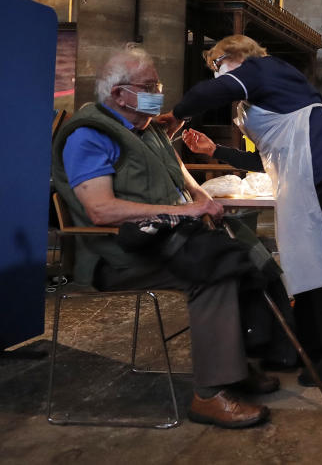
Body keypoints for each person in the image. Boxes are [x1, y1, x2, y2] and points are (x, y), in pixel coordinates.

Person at [50, 44, 275, 429]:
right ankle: (211, 393)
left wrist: (203, 201)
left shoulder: (147, 130)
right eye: (148, 84)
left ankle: (236, 367)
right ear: (118, 93)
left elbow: (182, 177)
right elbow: (100, 209)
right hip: (120, 255)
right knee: (214, 271)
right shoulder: (89, 136)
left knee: (245, 255)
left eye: (158, 82)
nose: (158, 90)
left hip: (167, 240)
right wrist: (186, 212)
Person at [166, 35, 322, 387]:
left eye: (217, 65)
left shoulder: (262, 68)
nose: (218, 74)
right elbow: (269, 156)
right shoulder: (266, 89)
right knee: (306, 261)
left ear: (236, 56)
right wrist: (217, 152)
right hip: (310, 170)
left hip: (321, 168)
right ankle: (312, 346)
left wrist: (177, 115)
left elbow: (210, 94)